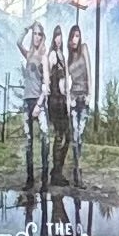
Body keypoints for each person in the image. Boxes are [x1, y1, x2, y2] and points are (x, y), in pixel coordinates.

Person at [16, 22, 46, 189]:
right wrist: (27, 28)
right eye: (35, 33)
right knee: (28, 142)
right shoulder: (28, 55)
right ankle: (30, 179)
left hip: (38, 103)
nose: (37, 37)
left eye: (39, 34)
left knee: (44, 138)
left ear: (42, 37)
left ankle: (44, 180)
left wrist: (39, 104)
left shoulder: (43, 56)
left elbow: (46, 84)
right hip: (27, 101)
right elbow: (18, 42)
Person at [65, 25, 91, 187]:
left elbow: (89, 71)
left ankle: (77, 168)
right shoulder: (68, 58)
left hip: (84, 98)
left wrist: (90, 94)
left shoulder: (84, 49)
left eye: (77, 36)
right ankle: (77, 171)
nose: (75, 39)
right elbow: (66, 81)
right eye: (73, 36)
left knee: (80, 136)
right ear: (69, 39)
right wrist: (69, 100)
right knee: (75, 137)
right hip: (74, 99)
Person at [45, 26, 70, 187]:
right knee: (60, 135)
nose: (58, 39)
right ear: (53, 38)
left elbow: (65, 82)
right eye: (56, 36)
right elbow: (47, 75)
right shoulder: (53, 55)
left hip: (63, 100)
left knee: (67, 135)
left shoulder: (63, 56)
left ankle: (57, 170)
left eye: (60, 36)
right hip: (55, 100)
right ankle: (56, 174)